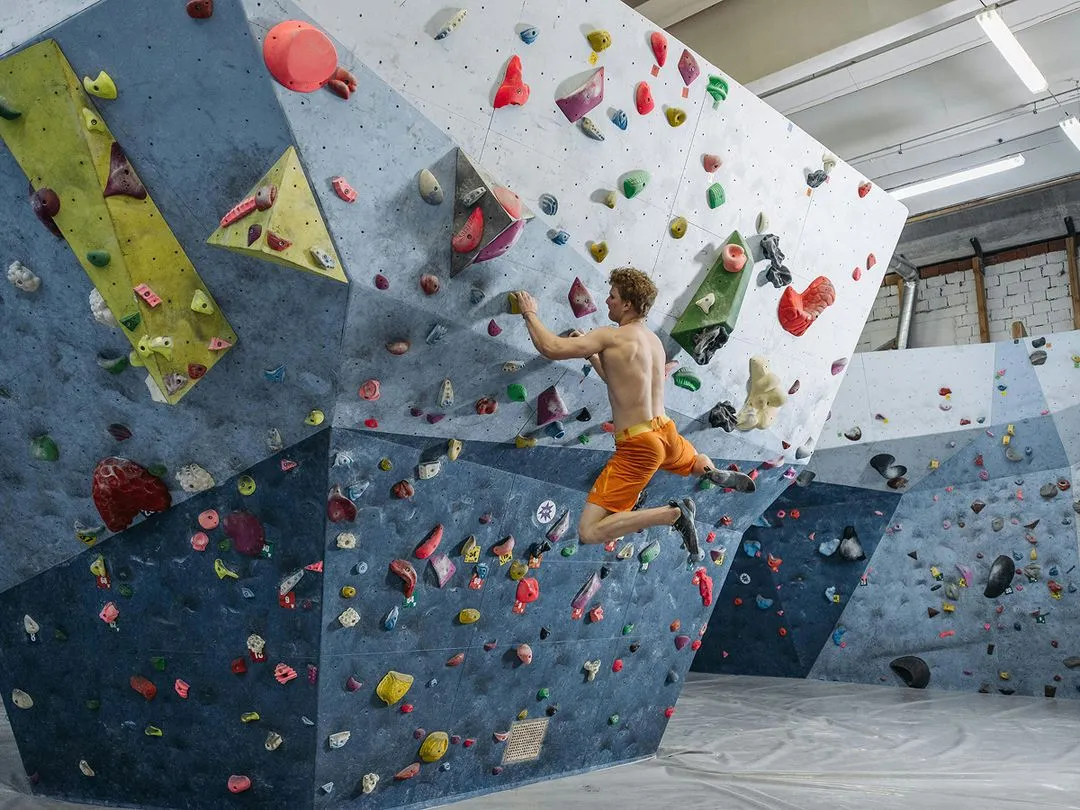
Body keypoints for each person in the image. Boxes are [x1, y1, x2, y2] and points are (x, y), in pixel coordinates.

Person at [514, 268, 754, 558]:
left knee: (589, 531)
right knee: (690, 463)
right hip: (665, 432)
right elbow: (619, 381)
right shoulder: (654, 344)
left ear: (627, 304)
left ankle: (672, 516)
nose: (607, 301)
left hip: (639, 445)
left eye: (612, 296)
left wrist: (529, 313)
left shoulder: (611, 337)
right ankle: (708, 469)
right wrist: (592, 355)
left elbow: (551, 347)